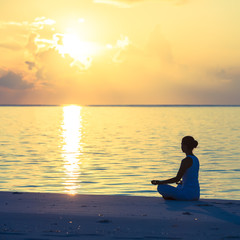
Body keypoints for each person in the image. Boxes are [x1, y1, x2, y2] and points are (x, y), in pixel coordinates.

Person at [151, 136, 200, 201]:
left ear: (185, 146)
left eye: (181, 144)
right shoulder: (196, 159)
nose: (181, 146)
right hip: (196, 194)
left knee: (161, 187)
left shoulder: (186, 160)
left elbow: (177, 178)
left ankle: (173, 197)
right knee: (179, 185)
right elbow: (191, 176)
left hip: (188, 195)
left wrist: (160, 182)